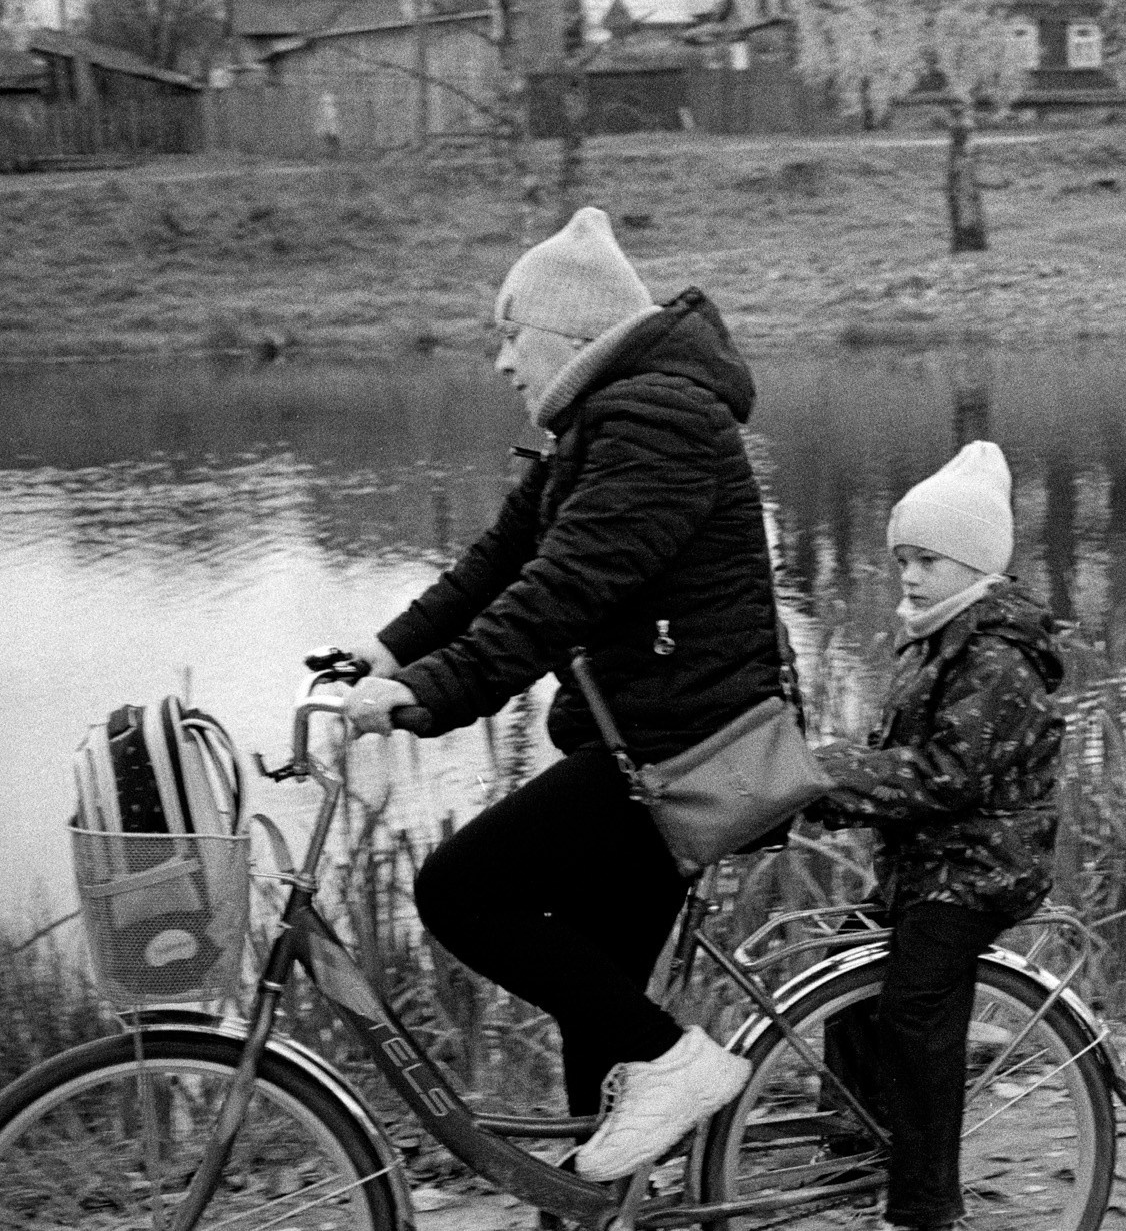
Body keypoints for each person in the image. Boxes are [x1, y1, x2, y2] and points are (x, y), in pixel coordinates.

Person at [337, 206, 773, 1182]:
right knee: (596, 998)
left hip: (682, 748)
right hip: (644, 740)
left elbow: (560, 590)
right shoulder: (601, 425)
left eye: (509, 335)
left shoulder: (655, 422)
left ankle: (680, 1063)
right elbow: (501, 561)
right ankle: (603, 1186)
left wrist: (426, 695)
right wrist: (381, 651)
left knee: (457, 889)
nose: (501, 363)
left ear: (571, 335)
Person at [809, 441, 1066, 1231]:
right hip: (932, 860)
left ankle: (925, 1206)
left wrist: (835, 780)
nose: (910, 577)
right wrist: (828, 778)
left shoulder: (996, 657)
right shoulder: (936, 637)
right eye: (903, 561)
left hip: (981, 868)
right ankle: (859, 1140)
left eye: (927, 560)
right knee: (845, 969)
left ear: (978, 565)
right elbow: (909, 761)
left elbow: (946, 776)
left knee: (916, 1009)